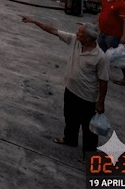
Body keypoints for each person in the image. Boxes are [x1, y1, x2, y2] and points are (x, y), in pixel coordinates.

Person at [21, 16, 108, 158]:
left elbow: (103, 81)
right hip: (71, 90)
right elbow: (53, 31)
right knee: (70, 118)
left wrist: (100, 102)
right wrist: (35, 21)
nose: (76, 33)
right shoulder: (75, 40)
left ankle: (89, 154)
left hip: (87, 97)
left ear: (88, 38)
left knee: (89, 129)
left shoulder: (100, 57)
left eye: (80, 32)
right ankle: (70, 139)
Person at [97, 0, 125, 86]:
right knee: (100, 54)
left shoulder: (122, 5)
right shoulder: (105, 0)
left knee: (118, 57)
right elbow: (102, 13)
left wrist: (124, 36)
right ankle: (99, 72)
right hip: (103, 33)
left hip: (113, 36)